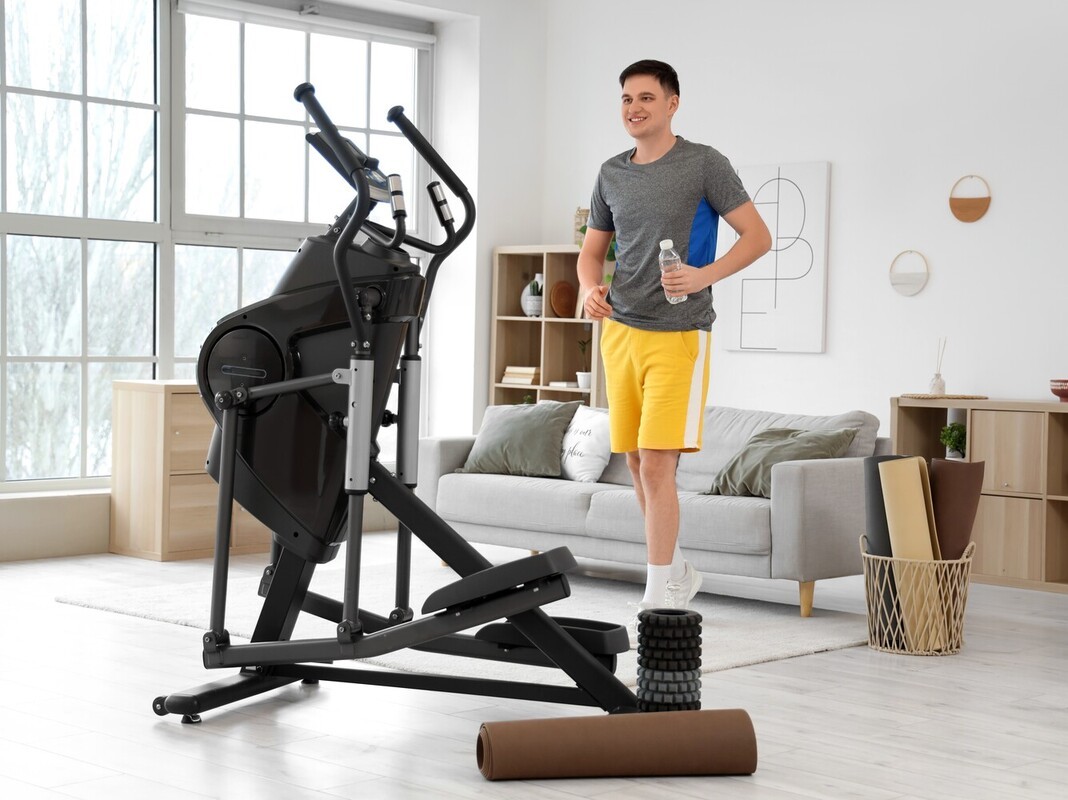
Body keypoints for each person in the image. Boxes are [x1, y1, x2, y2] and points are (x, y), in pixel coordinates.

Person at [577, 59, 771, 642]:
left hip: (680, 334)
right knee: (637, 464)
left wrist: (703, 275)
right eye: (626, 99)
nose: (634, 108)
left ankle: (657, 593)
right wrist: (589, 288)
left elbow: (758, 237)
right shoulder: (611, 173)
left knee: (659, 463)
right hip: (620, 334)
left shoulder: (704, 163)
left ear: (671, 103)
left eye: (645, 97)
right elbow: (592, 253)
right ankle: (678, 569)